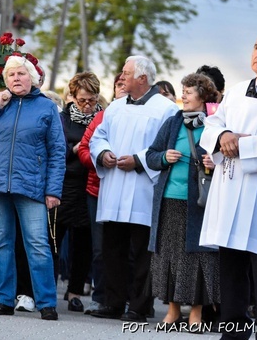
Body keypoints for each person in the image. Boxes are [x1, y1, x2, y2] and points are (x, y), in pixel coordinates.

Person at [200, 30, 257, 338]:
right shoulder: (236, 92)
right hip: (231, 192)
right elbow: (212, 124)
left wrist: (244, 147)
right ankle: (233, 332)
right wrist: (223, 137)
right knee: (232, 271)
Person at [0, 55, 65, 320]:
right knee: (1, 243)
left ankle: (46, 302)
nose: (16, 79)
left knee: (37, 244)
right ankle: (3, 299)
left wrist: (53, 190)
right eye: (11, 75)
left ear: (32, 78)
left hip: (31, 184)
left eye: (21, 74)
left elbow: (57, 151)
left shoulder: (46, 108)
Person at [89, 55, 178, 322]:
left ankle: (139, 306)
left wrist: (139, 160)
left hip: (143, 190)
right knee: (112, 249)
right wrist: (103, 153)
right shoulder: (115, 107)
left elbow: (168, 148)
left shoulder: (166, 109)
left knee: (142, 252)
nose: (122, 76)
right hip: (115, 187)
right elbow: (98, 136)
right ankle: (113, 302)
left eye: (127, 73)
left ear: (142, 78)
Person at [146, 74, 220, 331]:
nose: (184, 95)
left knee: (198, 258)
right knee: (169, 257)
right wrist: (164, 157)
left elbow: (229, 160)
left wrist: (215, 162)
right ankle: (172, 312)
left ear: (203, 96)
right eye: (183, 91)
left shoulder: (215, 124)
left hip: (200, 203)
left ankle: (196, 315)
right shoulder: (173, 122)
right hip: (168, 200)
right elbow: (151, 156)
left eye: (189, 91)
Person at [54, 72, 103, 313]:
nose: (87, 105)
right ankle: (47, 290)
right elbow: (55, 151)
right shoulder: (62, 119)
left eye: (92, 100)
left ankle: (75, 292)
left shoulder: (103, 119)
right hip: (64, 184)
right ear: (72, 97)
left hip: (89, 184)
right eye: (82, 100)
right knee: (54, 239)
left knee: (83, 243)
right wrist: (75, 149)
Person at [77, 73, 126, 312]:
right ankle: (101, 296)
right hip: (97, 190)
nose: (123, 89)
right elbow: (85, 148)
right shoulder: (103, 116)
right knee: (100, 248)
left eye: (126, 84)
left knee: (125, 247)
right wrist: (100, 158)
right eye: (119, 85)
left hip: (129, 190)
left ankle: (126, 298)